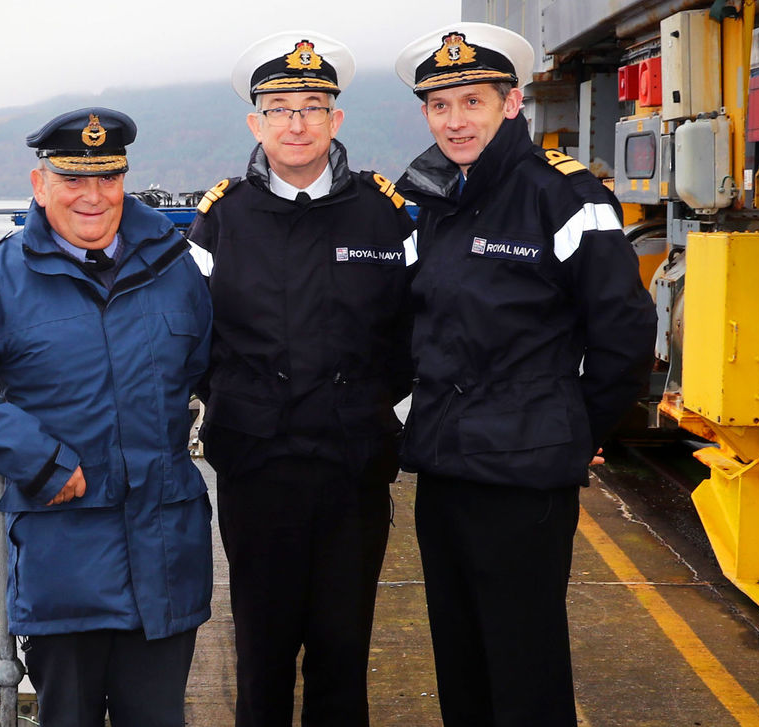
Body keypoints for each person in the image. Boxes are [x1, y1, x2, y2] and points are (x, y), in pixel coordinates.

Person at [0, 107, 214, 727]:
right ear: (40, 185)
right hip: (65, 560)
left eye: (107, 179)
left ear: (124, 181)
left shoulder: (175, 269)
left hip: (166, 554)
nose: (93, 197)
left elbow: (212, 372)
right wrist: (37, 458)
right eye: (73, 180)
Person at [392, 23, 657, 727]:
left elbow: (625, 329)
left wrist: (575, 428)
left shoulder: (562, 194)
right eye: (440, 106)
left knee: (524, 668)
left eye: (471, 101)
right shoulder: (435, 199)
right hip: (445, 469)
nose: (455, 120)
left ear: (511, 104)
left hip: (521, 477)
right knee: (462, 661)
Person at [186, 31, 416, 726]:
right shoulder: (222, 219)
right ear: (256, 123)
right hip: (260, 470)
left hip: (354, 468)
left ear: (335, 120)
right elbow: (190, 338)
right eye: (279, 107)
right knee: (262, 649)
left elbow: (416, 329)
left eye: (312, 106)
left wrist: (381, 409)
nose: (296, 121)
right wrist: (237, 402)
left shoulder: (385, 213)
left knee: (344, 649)